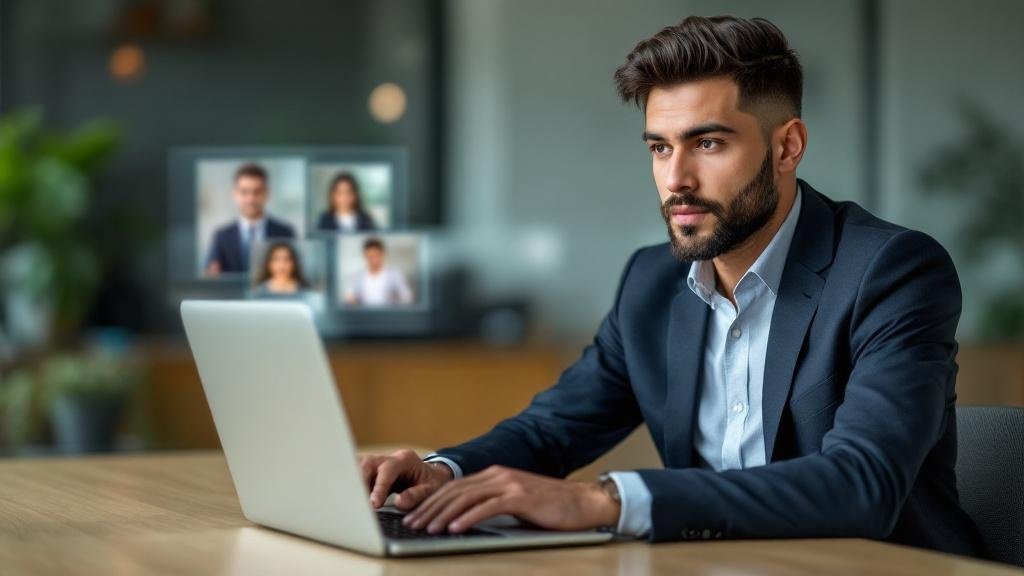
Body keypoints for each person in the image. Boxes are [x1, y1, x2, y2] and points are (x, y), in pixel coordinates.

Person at [359, 16, 985, 556]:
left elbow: (861, 485)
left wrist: (607, 500)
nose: (676, 178)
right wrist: (443, 470)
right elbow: (553, 430)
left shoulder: (892, 270)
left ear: (787, 146)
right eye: (659, 148)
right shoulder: (652, 282)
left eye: (707, 143)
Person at [205, 163, 295, 277]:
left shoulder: (285, 232)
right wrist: (211, 273)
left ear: (266, 194)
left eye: (257, 192)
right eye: (244, 192)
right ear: (235, 194)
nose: (250, 199)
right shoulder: (222, 236)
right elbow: (211, 275)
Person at [343, 237, 414, 307]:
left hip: (388, 315)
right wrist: (352, 300)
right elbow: (349, 297)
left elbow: (407, 297)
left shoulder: (394, 274)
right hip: (364, 316)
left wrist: (395, 299)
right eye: (370, 257)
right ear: (364, 256)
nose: (373, 260)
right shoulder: (358, 276)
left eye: (376, 256)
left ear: (383, 254)